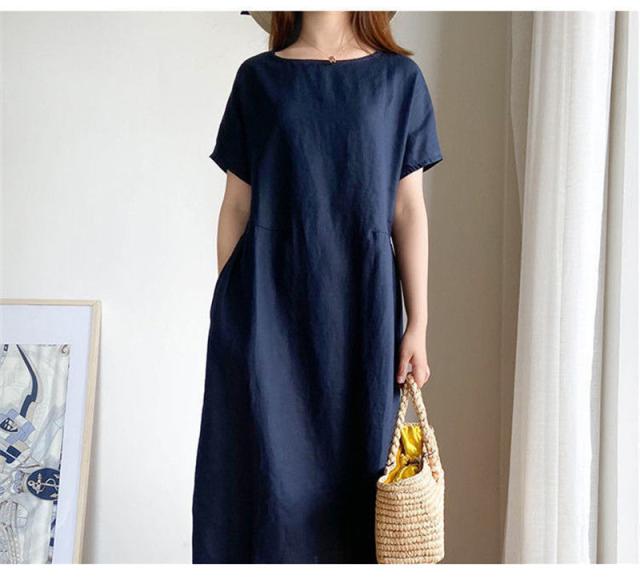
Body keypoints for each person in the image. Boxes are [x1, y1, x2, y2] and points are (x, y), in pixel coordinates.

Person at [192, 10, 443, 564]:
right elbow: (236, 206)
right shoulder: (258, 79)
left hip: (363, 311)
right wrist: (236, 310)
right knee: (266, 481)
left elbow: (407, 209)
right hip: (267, 309)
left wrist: (418, 323)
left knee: (359, 481)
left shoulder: (398, 80)